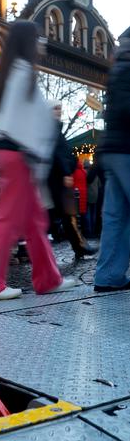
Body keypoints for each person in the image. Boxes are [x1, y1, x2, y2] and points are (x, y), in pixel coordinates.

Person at [0, 21, 78, 300]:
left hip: (12, 152)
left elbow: (4, 118)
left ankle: (48, 278)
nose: (41, 43)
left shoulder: (13, 72)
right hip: (19, 154)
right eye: (37, 39)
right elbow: (22, 123)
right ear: (28, 41)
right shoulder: (23, 74)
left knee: (33, 220)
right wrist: (40, 159)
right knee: (8, 219)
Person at [93, 27, 130, 292]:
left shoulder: (118, 68)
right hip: (127, 149)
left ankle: (108, 276)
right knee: (118, 216)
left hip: (113, 150)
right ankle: (110, 275)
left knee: (116, 216)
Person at [48, 103, 96, 260]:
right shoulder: (53, 130)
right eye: (55, 108)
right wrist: (66, 171)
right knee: (68, 215)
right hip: (58, 178)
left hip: (58, 177)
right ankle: (80, 246)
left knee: (68, 216)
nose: (59, 111)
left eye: (59, 108)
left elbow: (61, 153)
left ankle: (80, 246)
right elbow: (58, 153)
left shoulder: (55, 129)